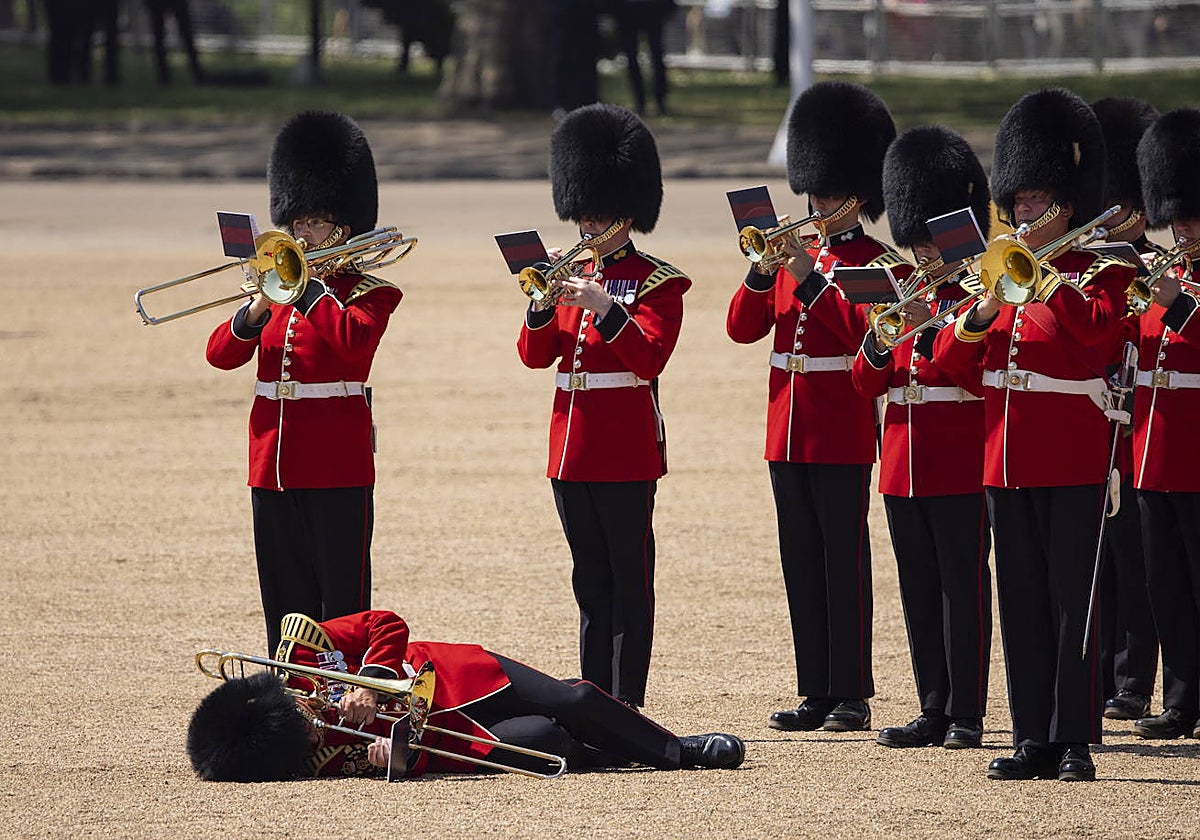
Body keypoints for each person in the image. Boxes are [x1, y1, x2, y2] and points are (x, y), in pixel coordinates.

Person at [933, 88, 1138, 782]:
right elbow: (949, 366)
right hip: (1006, 456)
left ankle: (1075, 737)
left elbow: (1100, 344)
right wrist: (985, 311)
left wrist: (1046, 283)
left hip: (1073, 453)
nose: (1021, 214)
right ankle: (1031, 738)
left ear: (1065, 204)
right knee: (1019, 599)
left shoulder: (1105, 270)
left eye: (1033, 202)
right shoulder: (999, 272)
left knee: (1069, 602)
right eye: (1015, 203)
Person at [727, 81, 899, 733]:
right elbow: (742, 329)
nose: (817, 204)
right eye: (813, 192)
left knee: (842, 557)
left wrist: (808, 277)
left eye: (828, 194)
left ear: (857, 196)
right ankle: (815, 689)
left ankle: (851, 690)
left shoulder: (877, 264)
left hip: (841, 426)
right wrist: (763, 272)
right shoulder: (792, 256)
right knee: (800, 558)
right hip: (786, 426)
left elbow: (864, 335)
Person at [205, 111, 403, 655]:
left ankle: (345, 717)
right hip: (271, 465)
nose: (302, 234)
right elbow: (220, 355)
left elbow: (353, 348)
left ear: (342, 227)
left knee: (340, 606)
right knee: (283, 604)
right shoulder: (274, 291)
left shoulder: (369, 292)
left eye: (314, 223)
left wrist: (308, 290)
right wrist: (254, 312)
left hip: (336, 466)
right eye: (297, 223)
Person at [517, 104, 690, 710]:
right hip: (570, 446)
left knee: (628, 579)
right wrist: (540, 308)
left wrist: (607, 308)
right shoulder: (568, 272)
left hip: (623, 446)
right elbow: (536, 358)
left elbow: (648, 359)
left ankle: (626, 699)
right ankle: (592, 695)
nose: (587, 224)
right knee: (589, 578)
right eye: (581, 211)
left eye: (598, 213)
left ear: (626, 213)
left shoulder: (657, 282)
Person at [187, 610, 745, 780]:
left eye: (299, 718)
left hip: (460, 673)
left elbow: (384, 624)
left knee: (573, 700)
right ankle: (616, 753)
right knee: (550, 740)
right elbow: (403, 760)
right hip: (452, 733)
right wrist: (399, 760)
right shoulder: (312, 757)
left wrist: (376, 685)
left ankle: (680, 751)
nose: (312, 728)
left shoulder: (300, 652)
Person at [852, 125, 993, 750]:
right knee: (917, 590)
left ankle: (967, 711)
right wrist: (881, 338)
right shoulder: (904, 294)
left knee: (963, 588)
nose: (920, 254)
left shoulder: (977, 297)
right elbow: (865, 382)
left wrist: (926, 328)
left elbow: (963, 370)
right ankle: (931, 706)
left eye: (927, 243)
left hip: (959, 458)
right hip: (903, 461)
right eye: (915, 244)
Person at [1089, 96, 1164, 723]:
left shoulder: (1148, 272)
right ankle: (1107, 669)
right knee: (1100, 558)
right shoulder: (1088, 270)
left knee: (1137, 559)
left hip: (1141, 430)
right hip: (1094, 426)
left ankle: (1134, 676)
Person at [1130, 107, 1200, 741]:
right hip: (1153, 448)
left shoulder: (1179, 287)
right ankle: (1181, 702)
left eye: (1192, 215)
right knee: (1168, 584)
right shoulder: (1166, 274)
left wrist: (1176, 307)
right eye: (1176, 216)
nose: (1183, 228)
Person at [609, 0, 676, 116]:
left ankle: (652, 100)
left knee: (653, 56)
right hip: (634, 9)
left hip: (644, 8)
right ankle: (645, 100)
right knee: (645, 56)